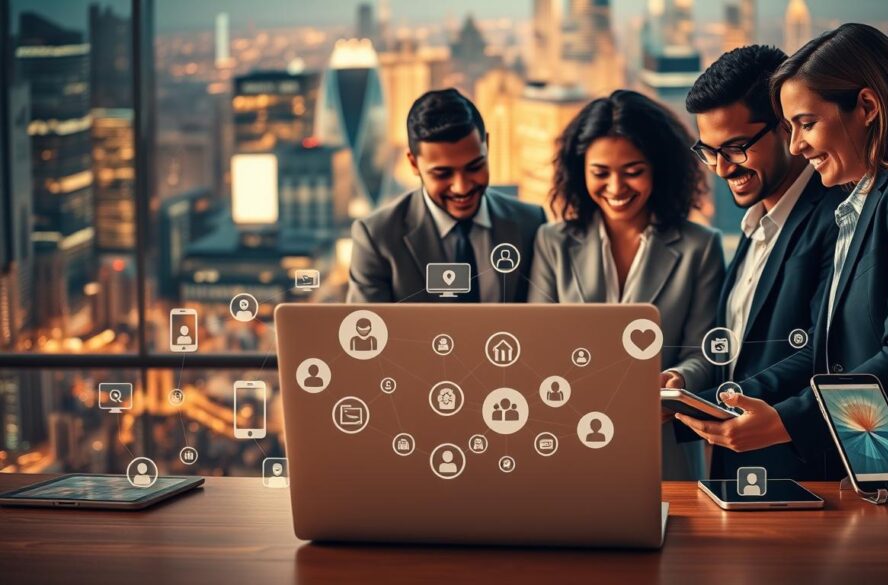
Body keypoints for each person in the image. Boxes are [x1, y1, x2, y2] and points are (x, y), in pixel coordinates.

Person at [675, 23, 888, 482]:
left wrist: (787, 422)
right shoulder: (864, 195)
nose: (797, 145)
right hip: (882, 460)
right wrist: (719, 401)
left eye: (805, 124)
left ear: (867, 107)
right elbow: (826, 351)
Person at [529, 89, 725, 479]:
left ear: (659, 169)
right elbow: (536, 345)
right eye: (600, 173)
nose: (616, 188)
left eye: (633, 171)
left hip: (661, 448)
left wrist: (679, 380)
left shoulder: (700, 247)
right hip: (570, 444)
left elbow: (708, 351)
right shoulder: (552, 243)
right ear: (580, 169)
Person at [670, 45, 846, 481]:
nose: (721, 168)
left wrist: (712, 401)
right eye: (708, 151)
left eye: (735, 148)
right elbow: (744, 351)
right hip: (744, 474)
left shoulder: (837, 216)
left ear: (787, 127)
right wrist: (684, 388)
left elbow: (826, 354)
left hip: (806, 478)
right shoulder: (756, 225)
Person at [347, 88, 547, 303]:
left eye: (474, 167)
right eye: (442, 173)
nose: (461, 188)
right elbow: (368, 326)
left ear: (486, 145)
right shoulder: (377, 238)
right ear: (414, 163)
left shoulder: (531, 223)